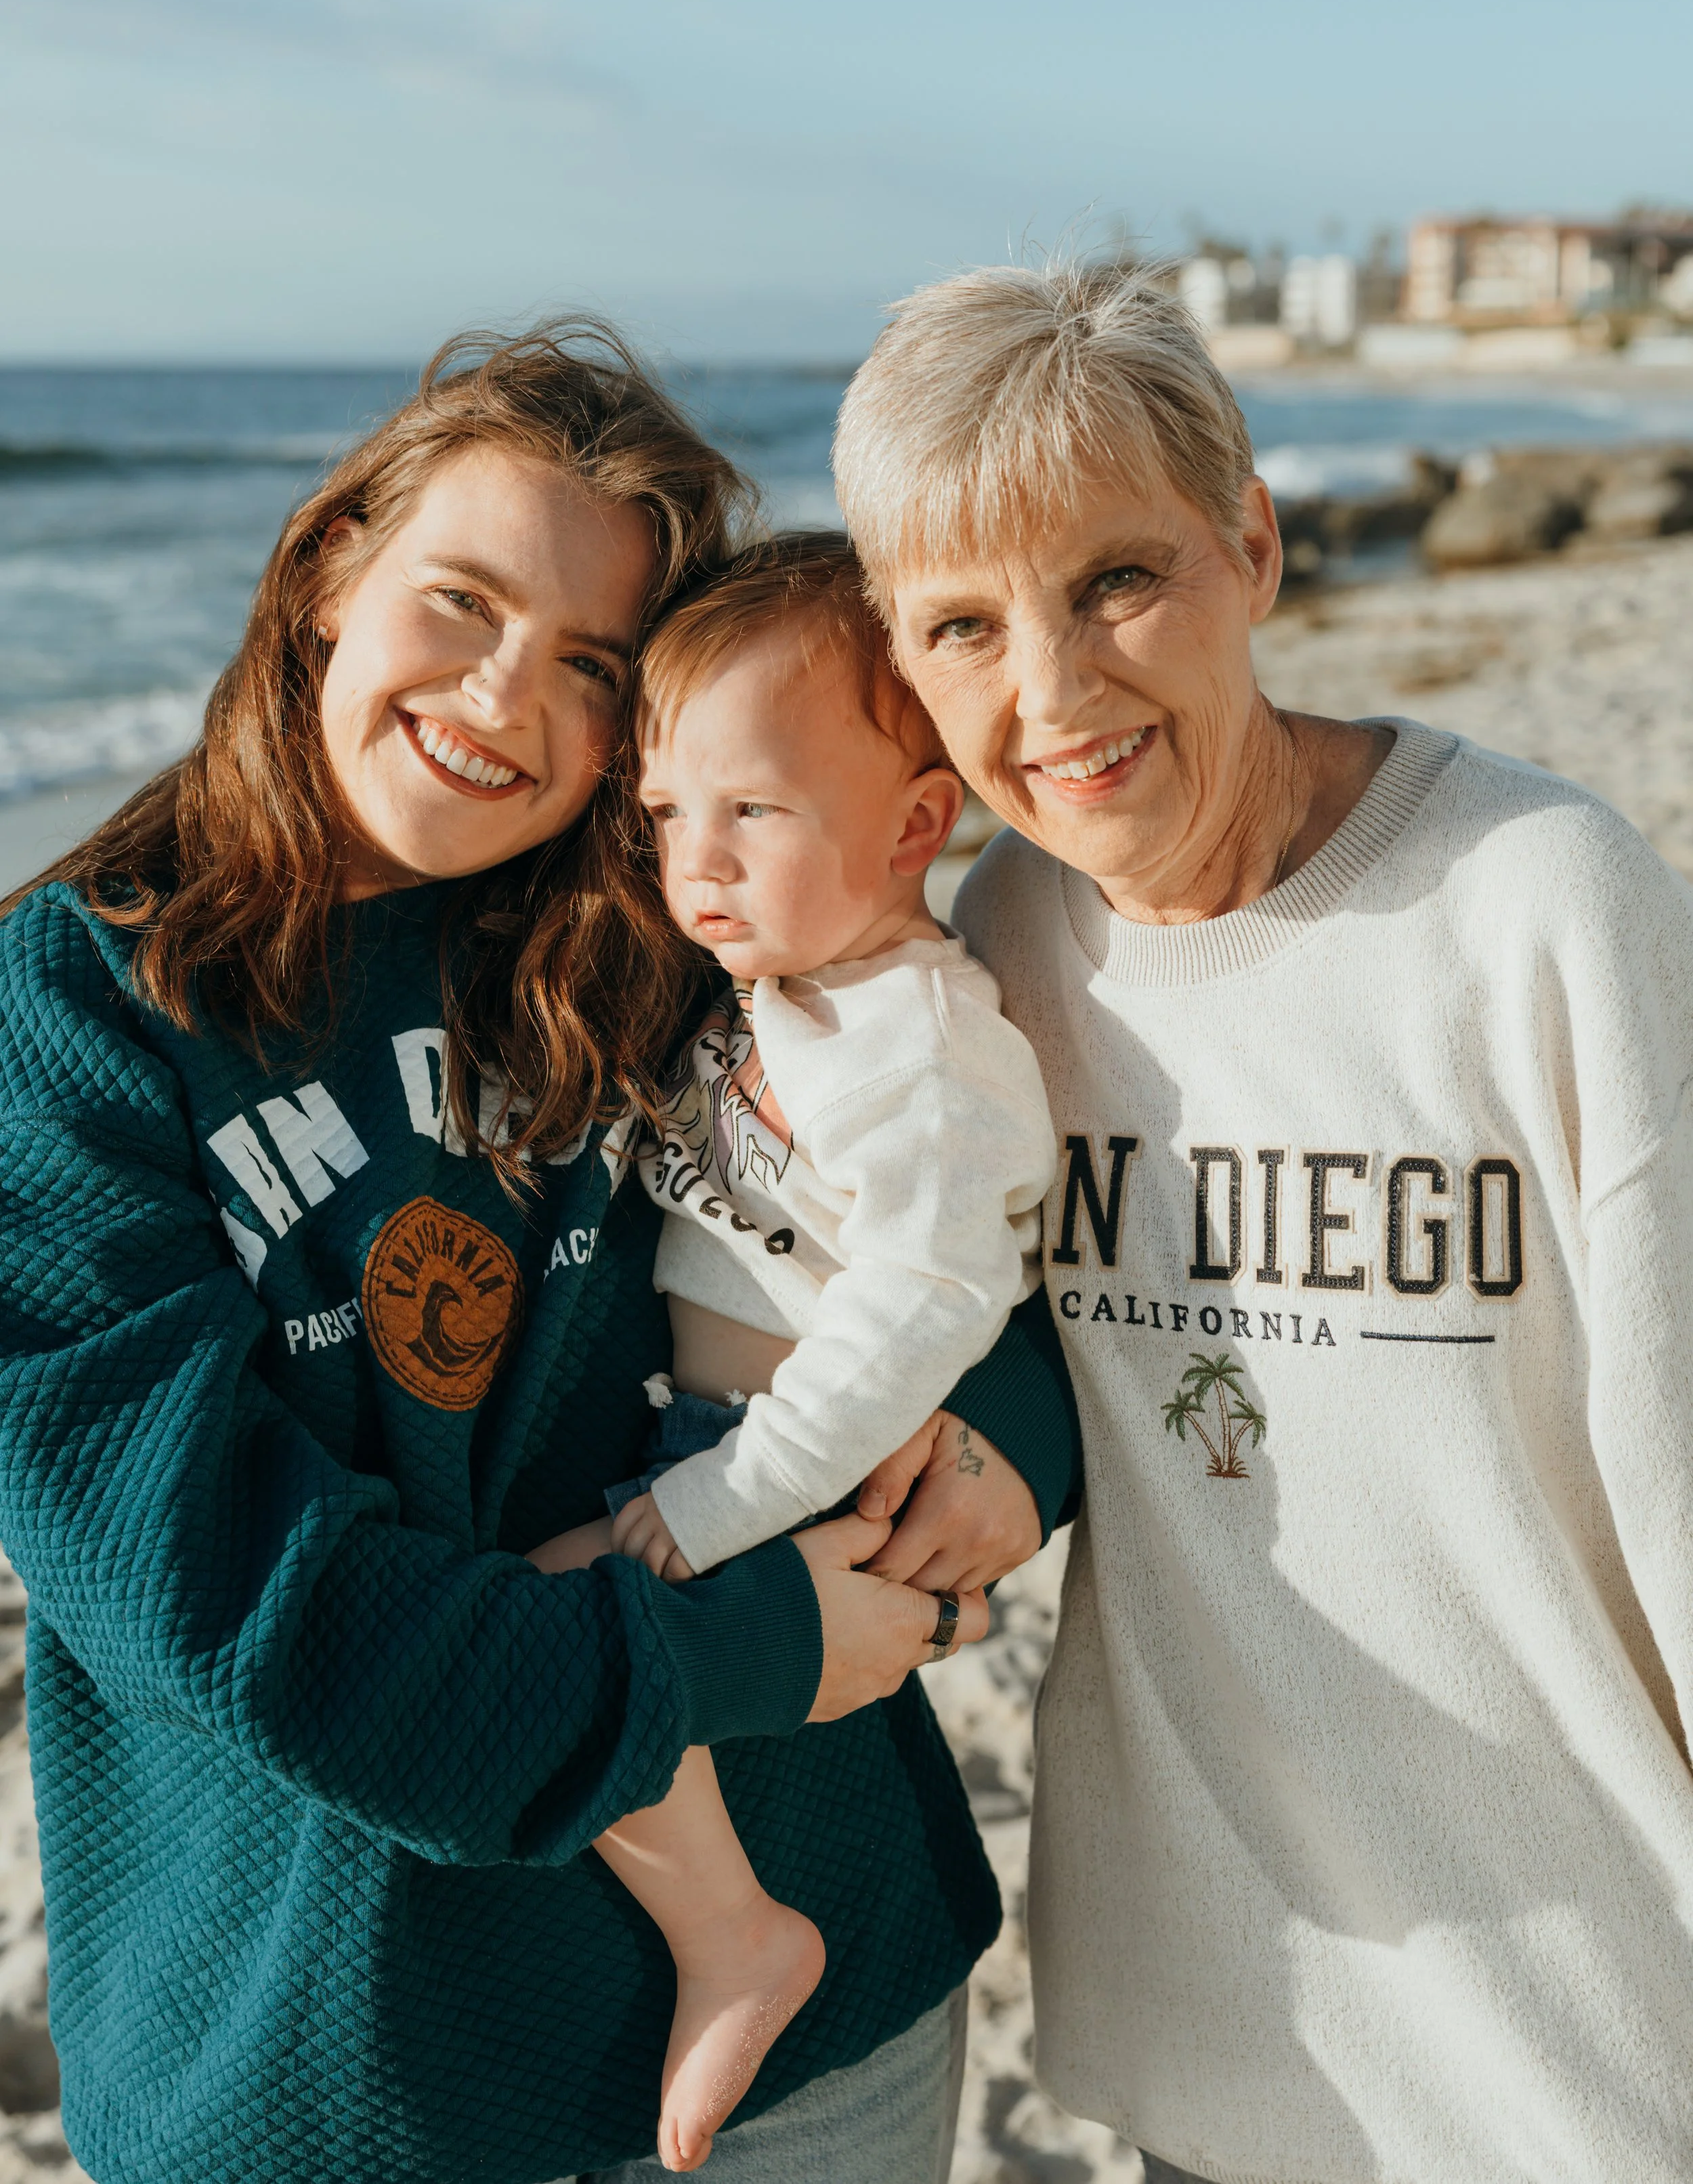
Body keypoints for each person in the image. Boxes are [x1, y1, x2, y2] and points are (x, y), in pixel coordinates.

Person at [0, 322, 1075, 2184]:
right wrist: (721, 1643)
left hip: (823, 2003)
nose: (506, 696)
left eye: (589, 665)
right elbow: (214, 1594)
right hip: (346, 2055)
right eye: (462, 598)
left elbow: (966, 1208)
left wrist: (1012, 1451)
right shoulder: (76, 1007)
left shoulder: (669, 912)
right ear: (331, 560)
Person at [832, 259, 1693, 2184]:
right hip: (1225, 2057)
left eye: (1113, 581)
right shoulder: (1001, 955)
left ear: (1252, 544)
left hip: (1599, 2063)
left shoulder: (1538, 905)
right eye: (961, 624)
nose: (1049, 692)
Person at [534, 534, 1056, 2172]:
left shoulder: (916, 1043)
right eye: (665, 814)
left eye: (750, 811)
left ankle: (736, 1940)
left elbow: (927, 1300)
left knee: (559, 1622)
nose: (695, 862)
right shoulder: (785, 985)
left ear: (916, 825)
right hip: (719, 1440)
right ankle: (728, 1932)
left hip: (784, 1471)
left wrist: (729, 1497)